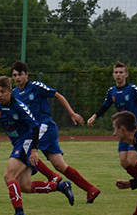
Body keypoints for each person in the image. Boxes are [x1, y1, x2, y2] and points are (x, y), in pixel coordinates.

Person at [0, 76, 74, 215]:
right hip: (19, 143)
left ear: (10, 91)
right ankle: (61, 186)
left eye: (2, 92)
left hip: (27, 141)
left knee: (9, 176)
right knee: (24, 185)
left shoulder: (19, 106)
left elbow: (35, 127)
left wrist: (34, 150)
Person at [10, 60, 101, 203]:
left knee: (27, 150)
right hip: (35, 131)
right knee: (60, 164)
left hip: (44, 127)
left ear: (26, 75)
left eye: (20, 74)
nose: (17, 78)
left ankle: (53, 178)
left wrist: (71, 113)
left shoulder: (35, 86)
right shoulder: (14, 93)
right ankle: (91, 189)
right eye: (14, 75)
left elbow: (58, 95)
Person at [87, 61, 137, 179]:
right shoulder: (112, 91)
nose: (118, 75)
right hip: (122, 129)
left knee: (132, 161)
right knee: (124, 162)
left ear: (126, 75)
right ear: (113, 75)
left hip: (134, 128)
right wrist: (94, 116)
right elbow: (105, 106)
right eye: (116, 72)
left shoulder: (133, 89)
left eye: (121, 72)